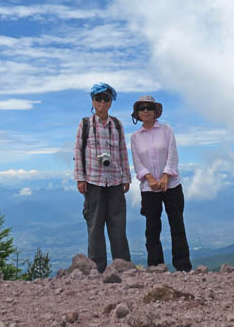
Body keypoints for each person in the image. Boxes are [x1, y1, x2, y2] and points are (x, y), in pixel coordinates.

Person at [74, 82, 131, 272]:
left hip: (115, 181)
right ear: (93, 101)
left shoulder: (117, 124)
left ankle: (122, 266)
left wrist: (126, 177)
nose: (102, 102)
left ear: (110, 102)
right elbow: (78, 152)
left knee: (118, 225)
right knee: (95, 225)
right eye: (98, 98)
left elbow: (123, 151)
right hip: (93, 181)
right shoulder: (85, 124)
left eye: (106, 98)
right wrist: (80, 179)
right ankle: (97, 269)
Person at [130, 95, 192, 272]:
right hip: (149, 188)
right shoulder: (135, 137)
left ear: (155, 111)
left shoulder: (167, 130)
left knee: (177, 225)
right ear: (137, 113)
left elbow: (173, 154)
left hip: (171, 185)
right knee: (152, 228)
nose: (146, 111)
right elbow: (137, 161)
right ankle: (156, 267)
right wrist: (149, 178)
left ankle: (183, 266)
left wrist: (165, 176)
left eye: (149, 107)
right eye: (142, 108)